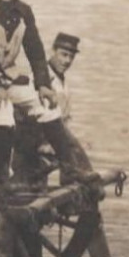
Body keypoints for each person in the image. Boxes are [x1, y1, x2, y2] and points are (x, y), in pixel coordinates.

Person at [0, 0, 69, 186]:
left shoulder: (23, 12)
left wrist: (43, 84)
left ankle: (70, 167)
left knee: (48, 107)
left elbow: (36, 52)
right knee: (1, 115)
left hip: (8, 79)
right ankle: (0, 180)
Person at [41, 31, 93, 180]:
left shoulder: (63, 82)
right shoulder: (43, 78)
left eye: (71, 57)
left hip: (58, 143)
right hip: (44, 143)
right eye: (63, 55)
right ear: (53, 51)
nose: (67, 61)